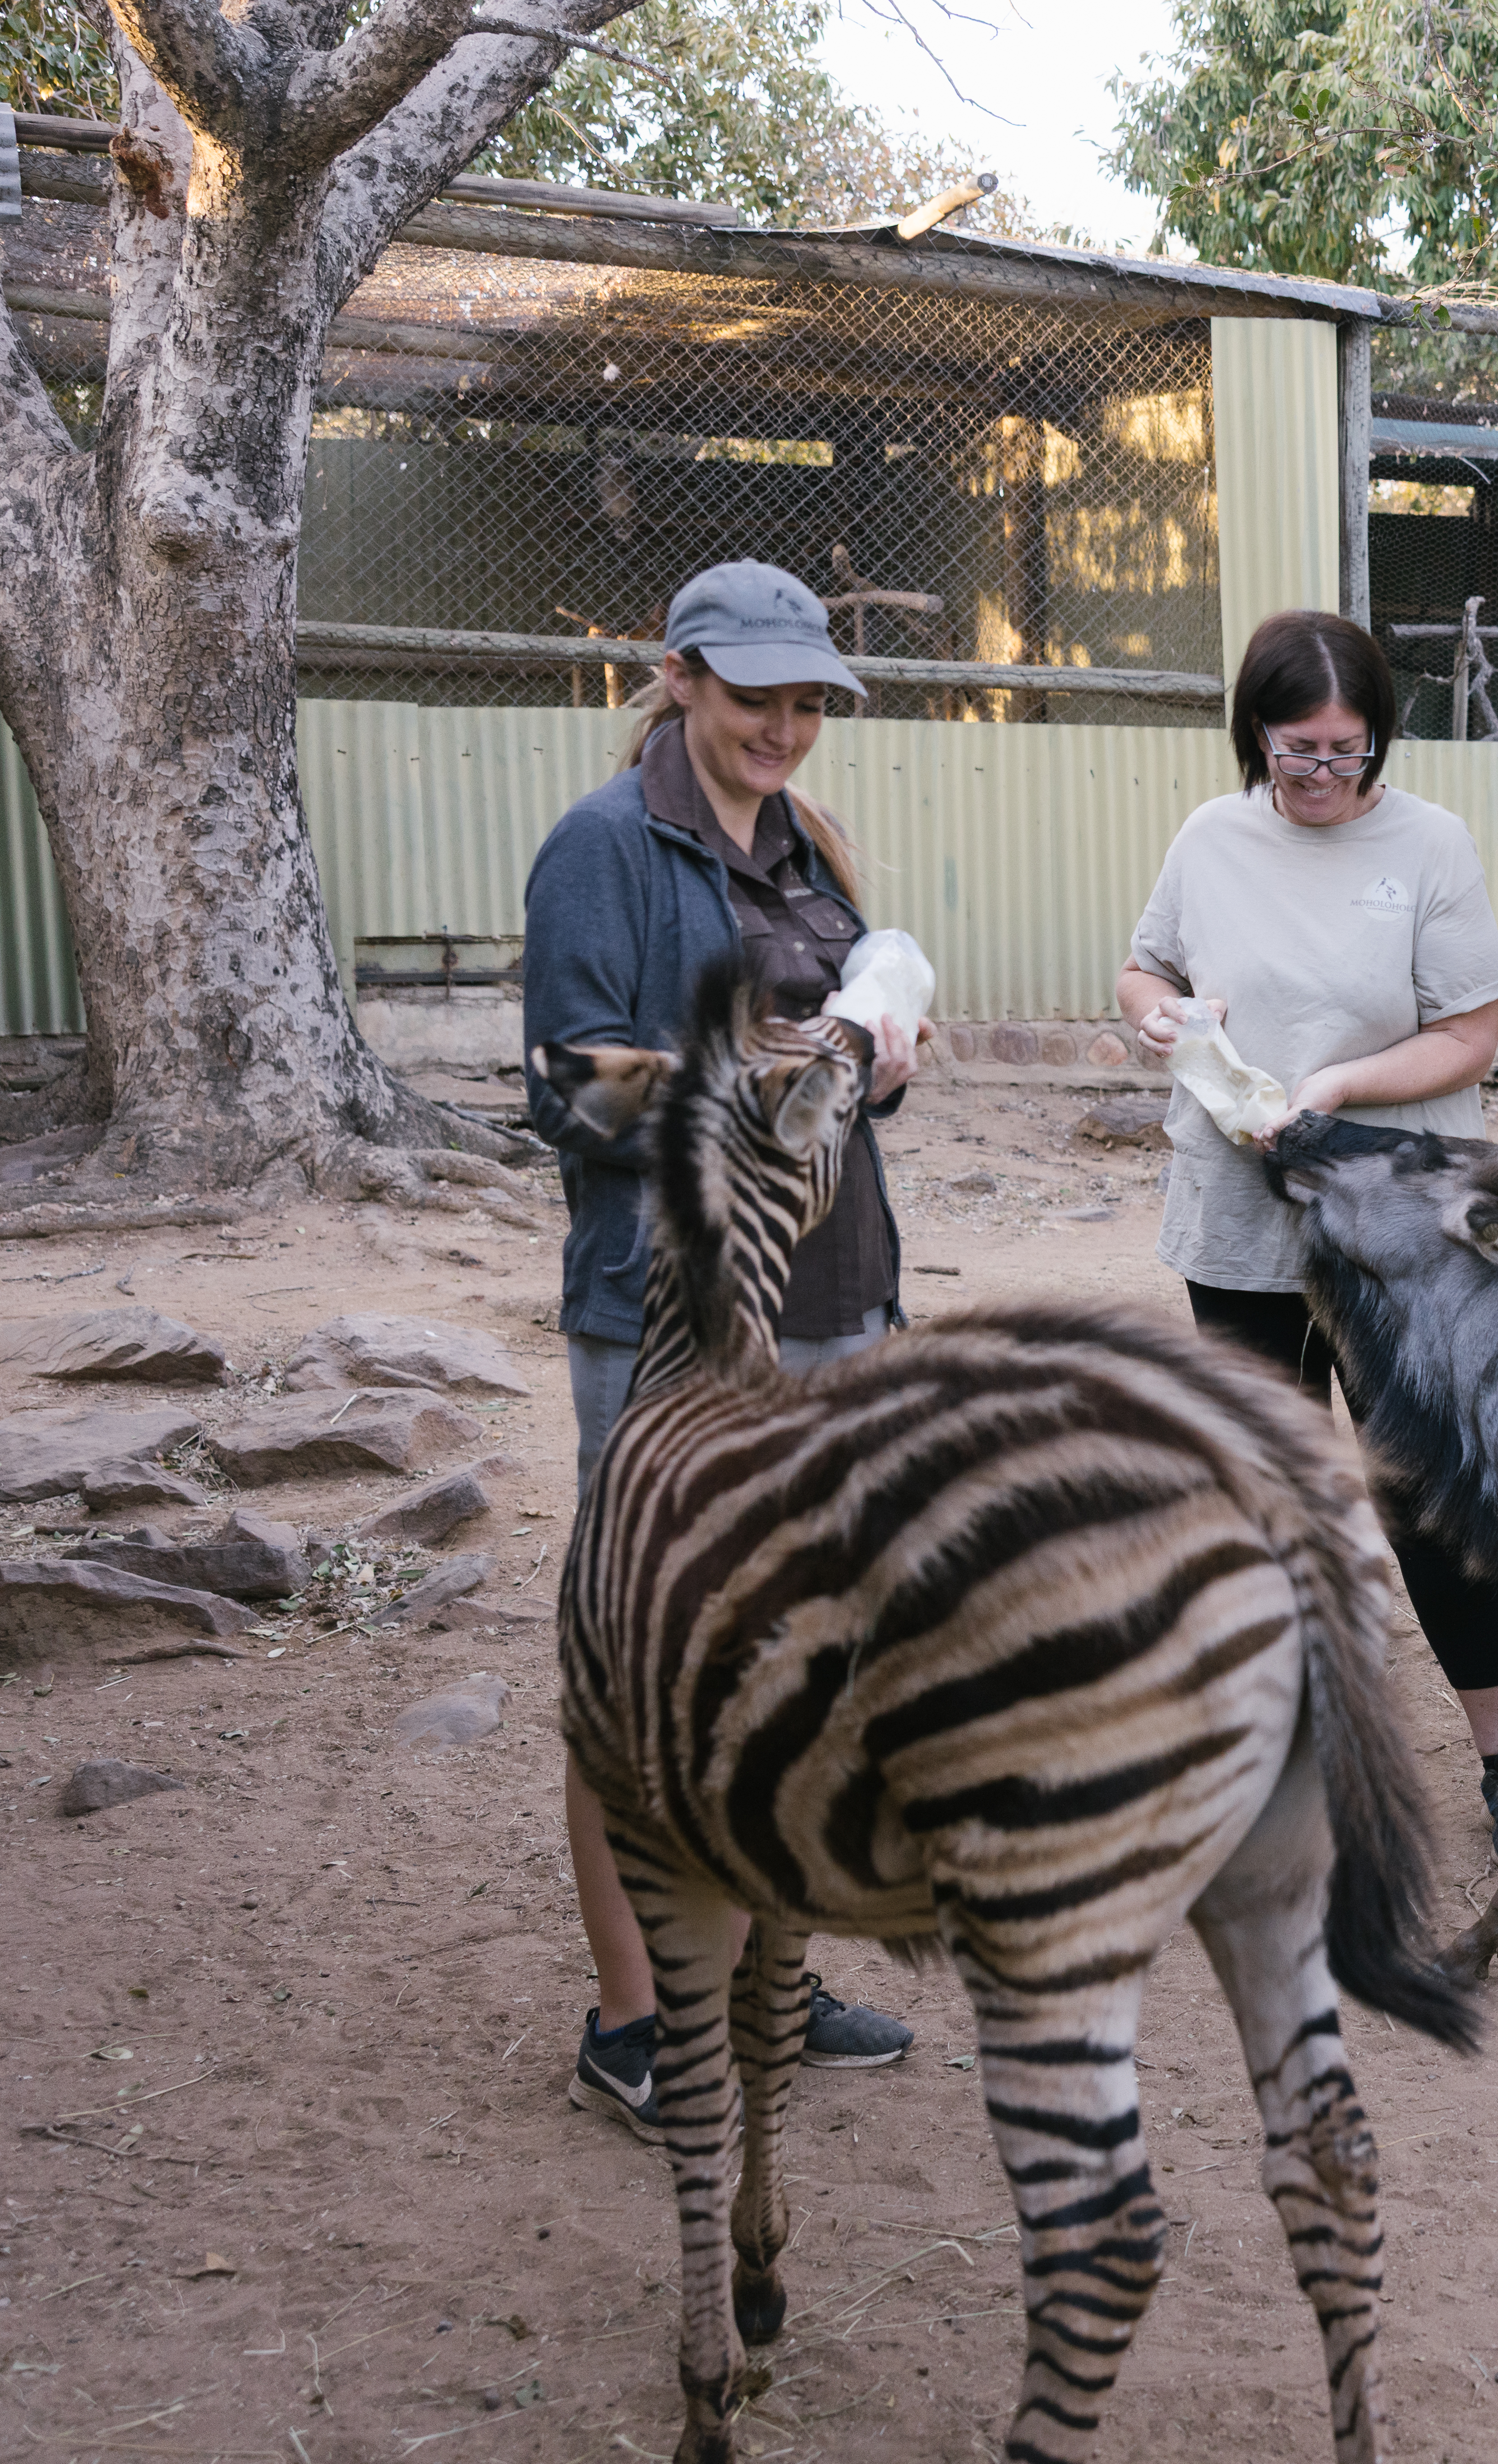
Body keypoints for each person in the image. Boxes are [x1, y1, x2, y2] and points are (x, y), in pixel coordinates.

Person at [521, 559, 920, 2135]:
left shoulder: (804, 842)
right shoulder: (605, 849)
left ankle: (766, 1977)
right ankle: (638, 2023)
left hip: (833, 1300)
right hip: (674, 1316)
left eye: (810, 700)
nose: (786, 725)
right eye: (756, 695)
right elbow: (569, 1090)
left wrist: (882, 1059)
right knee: (643, 1663)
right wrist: (763, 1085)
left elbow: (846, 1065)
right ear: (675, 674)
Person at [1113, 610, 1498, 1862]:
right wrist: (1160, 1017)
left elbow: (1471, 1034)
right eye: (1292, 750)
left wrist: (1341, 1089)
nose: (1316, 775)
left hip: (1394, 1215)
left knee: (1427, 1490)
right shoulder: (1211, 836)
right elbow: (1144, 971)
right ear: (1254, 735)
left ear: (1379, 739)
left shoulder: (1429, 845)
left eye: (1342, 751)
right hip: (1238, 1215)